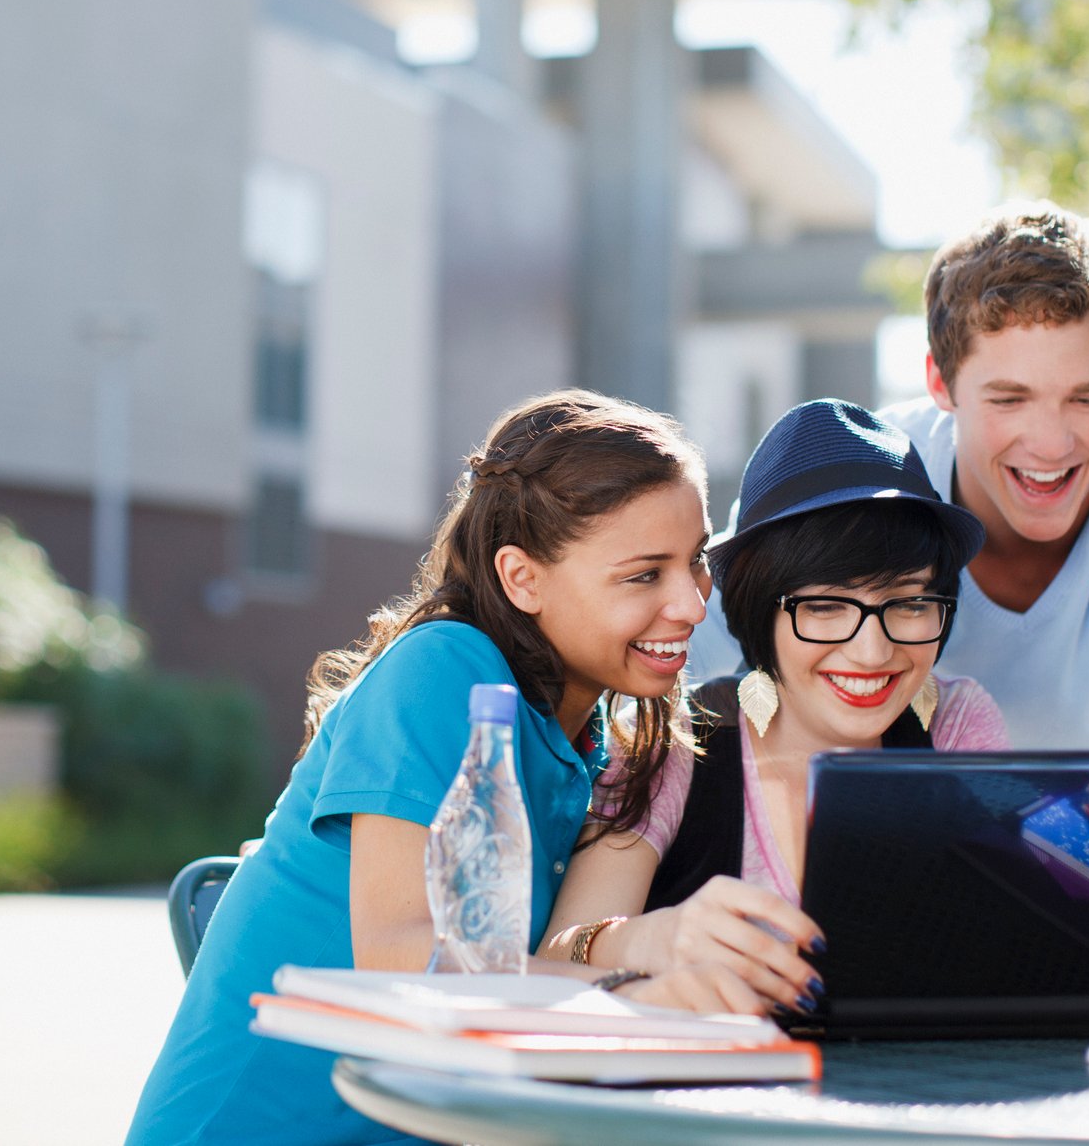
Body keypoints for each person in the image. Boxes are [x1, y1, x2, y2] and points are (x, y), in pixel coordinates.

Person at [125, 391, 763, 1146]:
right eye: (643, 576)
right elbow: (406, 957)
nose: (691, 605)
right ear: (521, 578)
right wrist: (642, 991)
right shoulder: (444, 668)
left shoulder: (591, 737)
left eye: (694, 564)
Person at [691, 205, 1089, 905]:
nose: (1049, 443)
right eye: (1008, 398)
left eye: (1086, 398)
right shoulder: (876, 473)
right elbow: (704, 623)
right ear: (939, 383)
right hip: (999, 877)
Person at [537, 400, 1008, 1012]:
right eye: (824, 607)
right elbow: (556, 955)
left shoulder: (957, 724)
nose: (872, 651)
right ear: (761, 609)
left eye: (910, 604)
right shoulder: (677, 740)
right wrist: (649, 945)